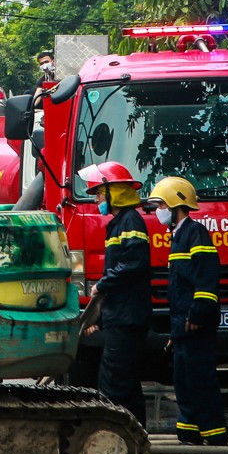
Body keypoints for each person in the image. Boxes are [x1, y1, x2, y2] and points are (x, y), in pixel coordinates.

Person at [152, 176, 228, 446]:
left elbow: (206, 279)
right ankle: (190, 430)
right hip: (183, 325)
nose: (157, 210)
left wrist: (198, 314)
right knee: (183, 379)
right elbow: (179, 290)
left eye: (160, 204)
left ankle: (214, 432)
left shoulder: (195, 234)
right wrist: (175, 330)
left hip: (196, 323)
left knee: (199, 378)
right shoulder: (177, 237)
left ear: (176, 204)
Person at [82, 161, 151, 425]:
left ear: (115, 192)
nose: (97, 199)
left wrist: (102, 283)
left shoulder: (130, 220)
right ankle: (137, 438)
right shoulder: (120, 222)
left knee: (112, 384)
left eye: (100, 193)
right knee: (128, 385)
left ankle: (113, 437)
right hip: (122, 316)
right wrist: (98, 320)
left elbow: (134, 263)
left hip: (127, 318)